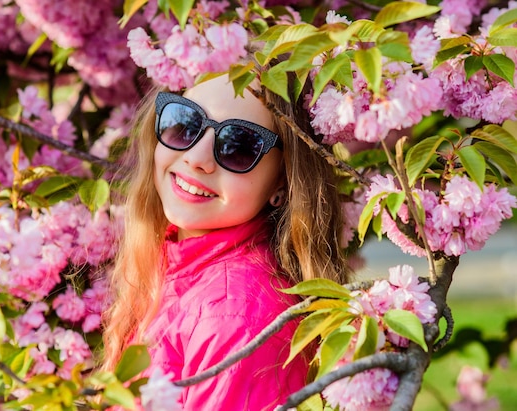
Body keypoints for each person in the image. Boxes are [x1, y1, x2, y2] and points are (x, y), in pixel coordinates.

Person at [102, 67, 349, 410]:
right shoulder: (177, 266)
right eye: (186, 124)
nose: (197, 158)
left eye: (239, 146)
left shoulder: (232, 314)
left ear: (283, 183)